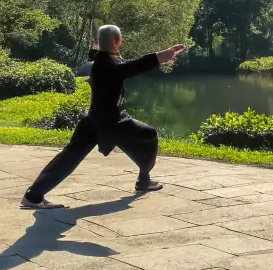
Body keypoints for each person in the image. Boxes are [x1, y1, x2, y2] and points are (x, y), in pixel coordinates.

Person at [21, 25, 185, 208]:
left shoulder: (101, 61)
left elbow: (122, 63)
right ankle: (144, 179)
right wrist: (164, 55)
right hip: (113, 122)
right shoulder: (109, 65)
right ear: (117, 41)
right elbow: (136, 65)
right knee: (149, 135)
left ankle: (33, 196)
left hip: (93, 121)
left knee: (69, 157)